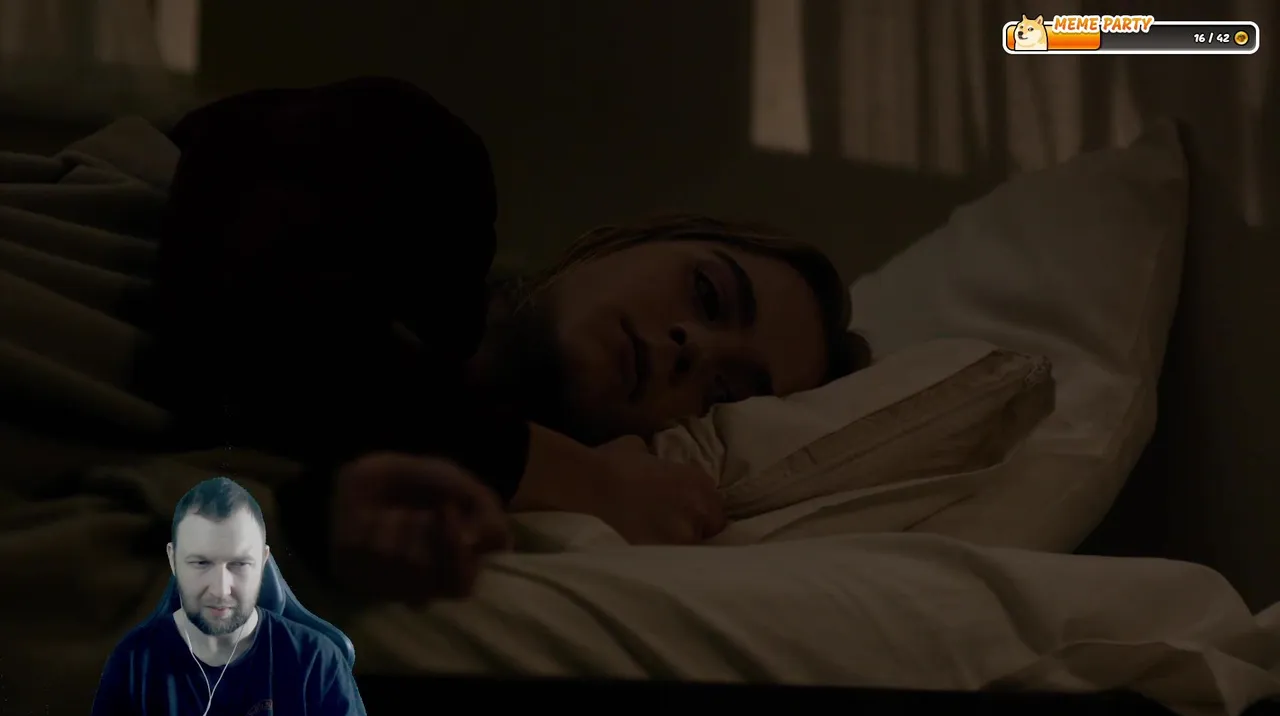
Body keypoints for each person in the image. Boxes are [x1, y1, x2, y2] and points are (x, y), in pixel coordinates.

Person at [143, 77, 871, 605]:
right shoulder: (430, 171)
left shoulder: (462, 518)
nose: (694, 347)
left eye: (724, 391)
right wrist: (587, 479)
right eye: (707, 294)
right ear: (621, 243)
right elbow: (256, 311)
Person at [89, 477, 367, 716]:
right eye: (201, 563)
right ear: (173, 560)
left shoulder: (316, 660)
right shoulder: (134, 662)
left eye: (239, 564)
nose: (221, 590)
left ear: (263, 562)